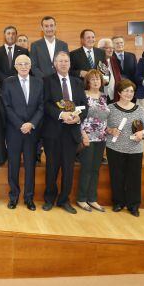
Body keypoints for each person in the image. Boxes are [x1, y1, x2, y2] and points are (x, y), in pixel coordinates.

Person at [41, 51, 88, 214]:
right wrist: (61, 114)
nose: (63, 64)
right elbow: (45, 104)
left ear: (70, 63)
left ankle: (64, 200)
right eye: (60, 61)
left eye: (66, 61)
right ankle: (49, 199)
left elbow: (84, 105)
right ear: (54, 64)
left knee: (68, 169)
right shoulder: (47, 81)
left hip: (72, 132)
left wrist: (77, 117)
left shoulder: (77, 82)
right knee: (52, 168)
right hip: (53, 132)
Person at [1, 55, 43, 210]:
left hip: (32, 131)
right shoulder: (8, 82)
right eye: (20, 64)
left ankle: (29, 198)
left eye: (26, 64)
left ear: (31, 65)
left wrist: (31, 124)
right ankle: (13, 196)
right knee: (13, 165)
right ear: (15, 66)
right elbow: (6, 106)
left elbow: (41, 106)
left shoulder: (39, 82)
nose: (24, 66)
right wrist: (20, 124)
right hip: (14, 131)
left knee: (30, 166)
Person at [105, 80, 144, 217]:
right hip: (114, 148)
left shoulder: (139, 109)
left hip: (135, 150)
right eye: (126, 90)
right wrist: (111, 130)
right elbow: (102, 126)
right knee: (116, 176)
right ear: (119, 92)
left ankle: (133, 205)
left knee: (134, 178)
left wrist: (142, 133)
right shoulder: (111, 108)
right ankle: (118, 203)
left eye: (131, 91)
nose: (129, 93)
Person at [76, 70, 109, 212]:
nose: (96, 81)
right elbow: (78, 117)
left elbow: (106, 117)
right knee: (86, 168)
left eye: (98, 79)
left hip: (101, 137)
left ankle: (92, 199)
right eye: (93, 79)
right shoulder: (82, 96)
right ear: (88, 81)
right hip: (87, 137)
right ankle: (81, 199)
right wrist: (83, 135)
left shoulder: (104, 96)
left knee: (96, 169)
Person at [98, 38, 124, 102]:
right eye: (107, 48)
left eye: (112, 48)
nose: (111, 50)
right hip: (101, 96)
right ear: (100, 49)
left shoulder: (114, 60)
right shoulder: (97, 62)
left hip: (114, 95)